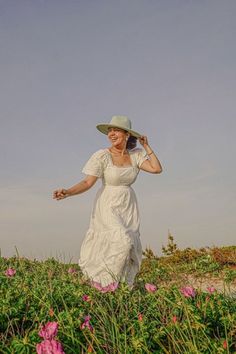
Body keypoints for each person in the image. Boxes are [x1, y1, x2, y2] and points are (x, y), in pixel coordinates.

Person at [53, 115, 162, 291]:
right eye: (109, 130)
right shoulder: (102, 155)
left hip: (128, 204)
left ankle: (120, 285)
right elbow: (87, 183)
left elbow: (156, 169)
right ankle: (104, 284)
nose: (111, 133)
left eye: (116, 130)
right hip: (108, 203)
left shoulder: (136, 156)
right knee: (122, 240)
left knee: (127, 245)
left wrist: (147, 147)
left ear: (126, 134)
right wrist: (67, 192)